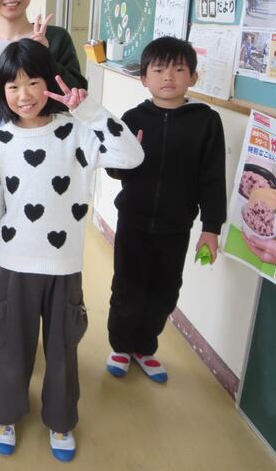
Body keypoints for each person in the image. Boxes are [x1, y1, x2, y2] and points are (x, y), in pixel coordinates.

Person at [0, 39, 143, 461]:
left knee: (63, 348)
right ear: (1, 92)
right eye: (13, 86)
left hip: (63, 264)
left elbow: (132, 155)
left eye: (33, 82)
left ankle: (61, 420)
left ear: (50, 82)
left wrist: (89, 110)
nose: (24, 95)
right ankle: (5, 414)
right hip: (11, 262)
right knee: (8, 345)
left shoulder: (77, 133)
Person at [105, 36, 226, 384]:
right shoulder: (133, 118)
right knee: (128, 286)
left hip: (176, 225)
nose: (168, 77)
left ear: (193, 77)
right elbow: (115, 171)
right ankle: (121, 346)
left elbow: (212, 177)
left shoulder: (206, 121)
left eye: (178, 69)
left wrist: (211, 227)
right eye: (158, 70)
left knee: (165, 290)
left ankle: (145, 348)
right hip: (134, 220)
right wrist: (126, 157)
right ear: (144, 78)